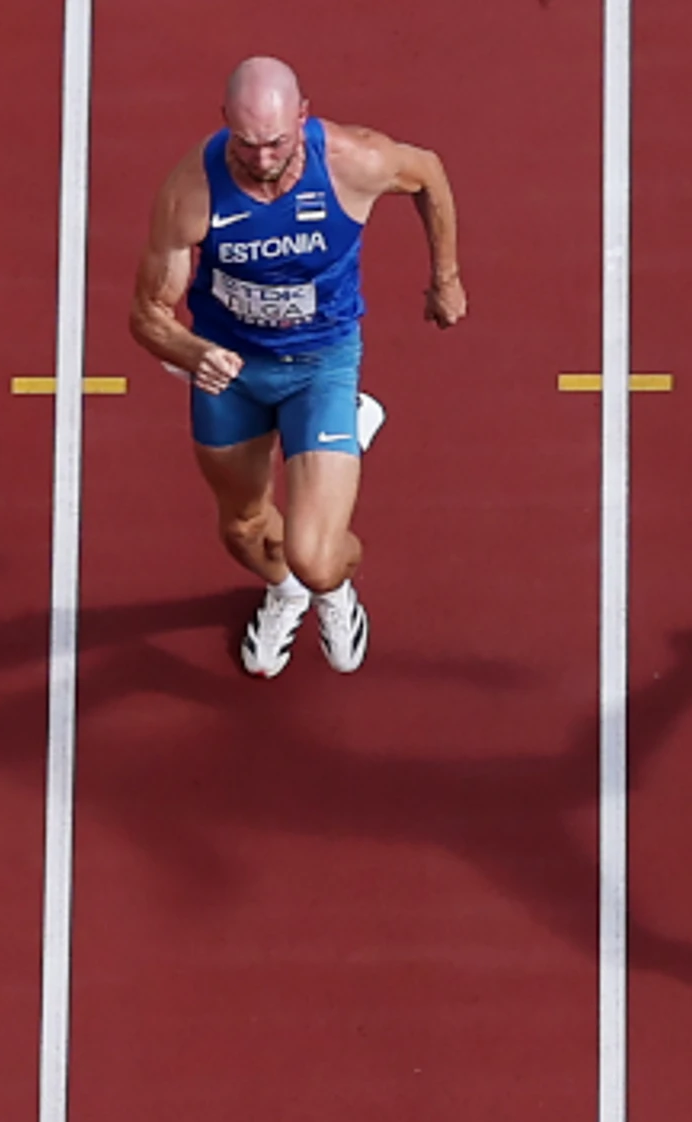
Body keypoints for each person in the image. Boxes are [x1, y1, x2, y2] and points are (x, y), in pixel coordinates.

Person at [129, 55, 464, 678]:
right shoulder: (192, 193)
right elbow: (147, 314)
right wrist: (192, 352)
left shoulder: (352, 160)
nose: (262, 160)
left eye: (277, 143)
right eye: (248, 143)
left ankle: (331, 591)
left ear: (303, 116)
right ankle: (286, 591)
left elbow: (429, 175)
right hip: (234, 373)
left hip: (321, 364)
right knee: (243, 530)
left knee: (317, 554)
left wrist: (445, 278)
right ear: (224, 120)